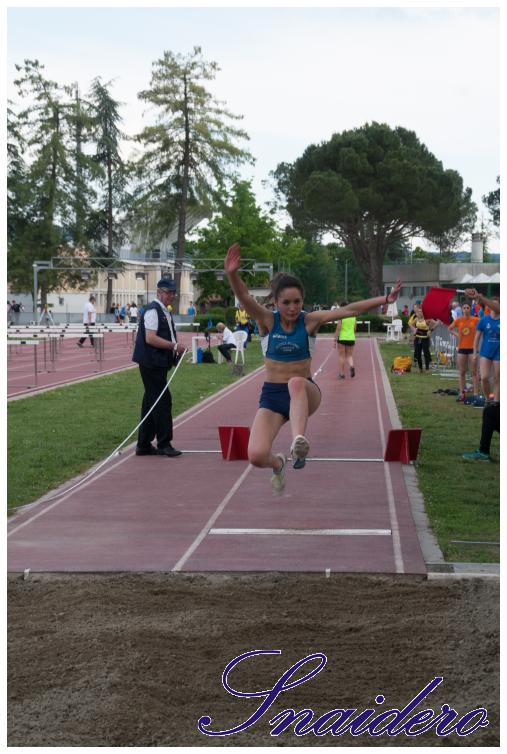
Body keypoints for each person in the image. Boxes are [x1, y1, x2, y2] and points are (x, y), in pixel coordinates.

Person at [224, 242, 401, 494]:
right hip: (273, 395)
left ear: (303, 301)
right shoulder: (266, 320)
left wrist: (385, 299)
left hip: (305, 393)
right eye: (286, 302)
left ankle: (299, 442)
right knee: (256, 455)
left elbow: (348, 310)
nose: (292, 308)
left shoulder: (308, 322)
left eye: (297, 302)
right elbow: (244, 297)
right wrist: (232, 274)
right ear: (275, 302)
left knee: (295, 382)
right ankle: (278, 463)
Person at [132, 278, 186, 457]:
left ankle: (143, 445)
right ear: (159, 292)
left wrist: (174, 351)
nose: (171, 296)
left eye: (173, 293)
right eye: (168, 292)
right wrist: (174, 346)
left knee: (150, 403)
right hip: (151, 363)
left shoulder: (163, 311)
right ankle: (164, 443)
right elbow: (150, 338)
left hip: (157, 362)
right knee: (162, 401)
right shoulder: (153, 311)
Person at [448, 301, 480, 401]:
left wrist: (477, 337)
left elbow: (483, 328)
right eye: (464, 308)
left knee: (474, 372)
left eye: (467, 308)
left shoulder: (475, 319)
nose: (466, 309)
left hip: (472, 348)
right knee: (462, 371)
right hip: (462, 348)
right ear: (462, 309)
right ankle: (462, 393)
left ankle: (475, 393)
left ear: (470, 309)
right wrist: (457, 335)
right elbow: (450, 328)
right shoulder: (459, 320)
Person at [472, 296, 500, 403]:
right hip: (485, 352)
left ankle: (496, 402)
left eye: (496, 304)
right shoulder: (484, 320)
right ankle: (488, 399)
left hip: (499, 353)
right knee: (484, 377)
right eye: (492, 304)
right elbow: (477, 338)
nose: (494, 306)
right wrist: (475, 352)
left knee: (498, 378)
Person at [408, 304, 439, 373]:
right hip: (417, 338)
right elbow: (411, 324)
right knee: (418, 353)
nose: (419, 313)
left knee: (426, 353)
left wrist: (430, 330)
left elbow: (437, 323)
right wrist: (414, 329)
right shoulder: (416, 319)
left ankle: (427, 368)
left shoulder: (427, 319)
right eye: (418, 312)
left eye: (421, 312)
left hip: (425, 338)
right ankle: (420, 368)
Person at [334, 301, 357, 379]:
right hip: (351, 338)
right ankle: (352, 366)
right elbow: (355, 328)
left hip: (342, 338)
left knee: (342, 356)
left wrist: (334, 339)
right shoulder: (353, 317)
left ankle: (342, 374)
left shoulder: (341, 317)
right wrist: (351, 334)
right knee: (349, 355)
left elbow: (338, 328)